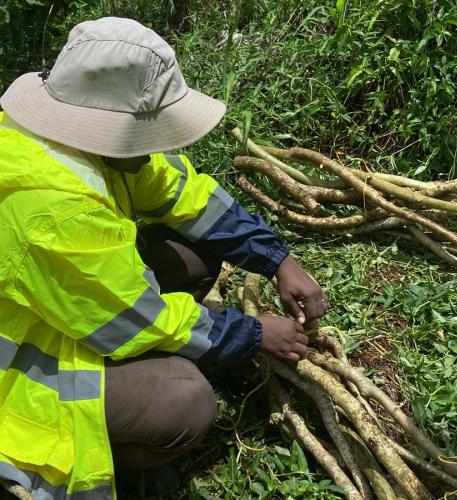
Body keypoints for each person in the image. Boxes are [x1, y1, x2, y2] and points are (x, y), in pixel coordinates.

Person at [0, 17, 327, 499]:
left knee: (200, 250)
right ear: (106, 128)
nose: (159, 145)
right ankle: (124, 461)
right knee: (186, 402)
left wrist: (277, 259)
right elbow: (134, 318)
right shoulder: (52, 208)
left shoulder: (80, 142)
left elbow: (185, 192)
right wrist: (255, 334)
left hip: (75, 299)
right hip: (22, 369)